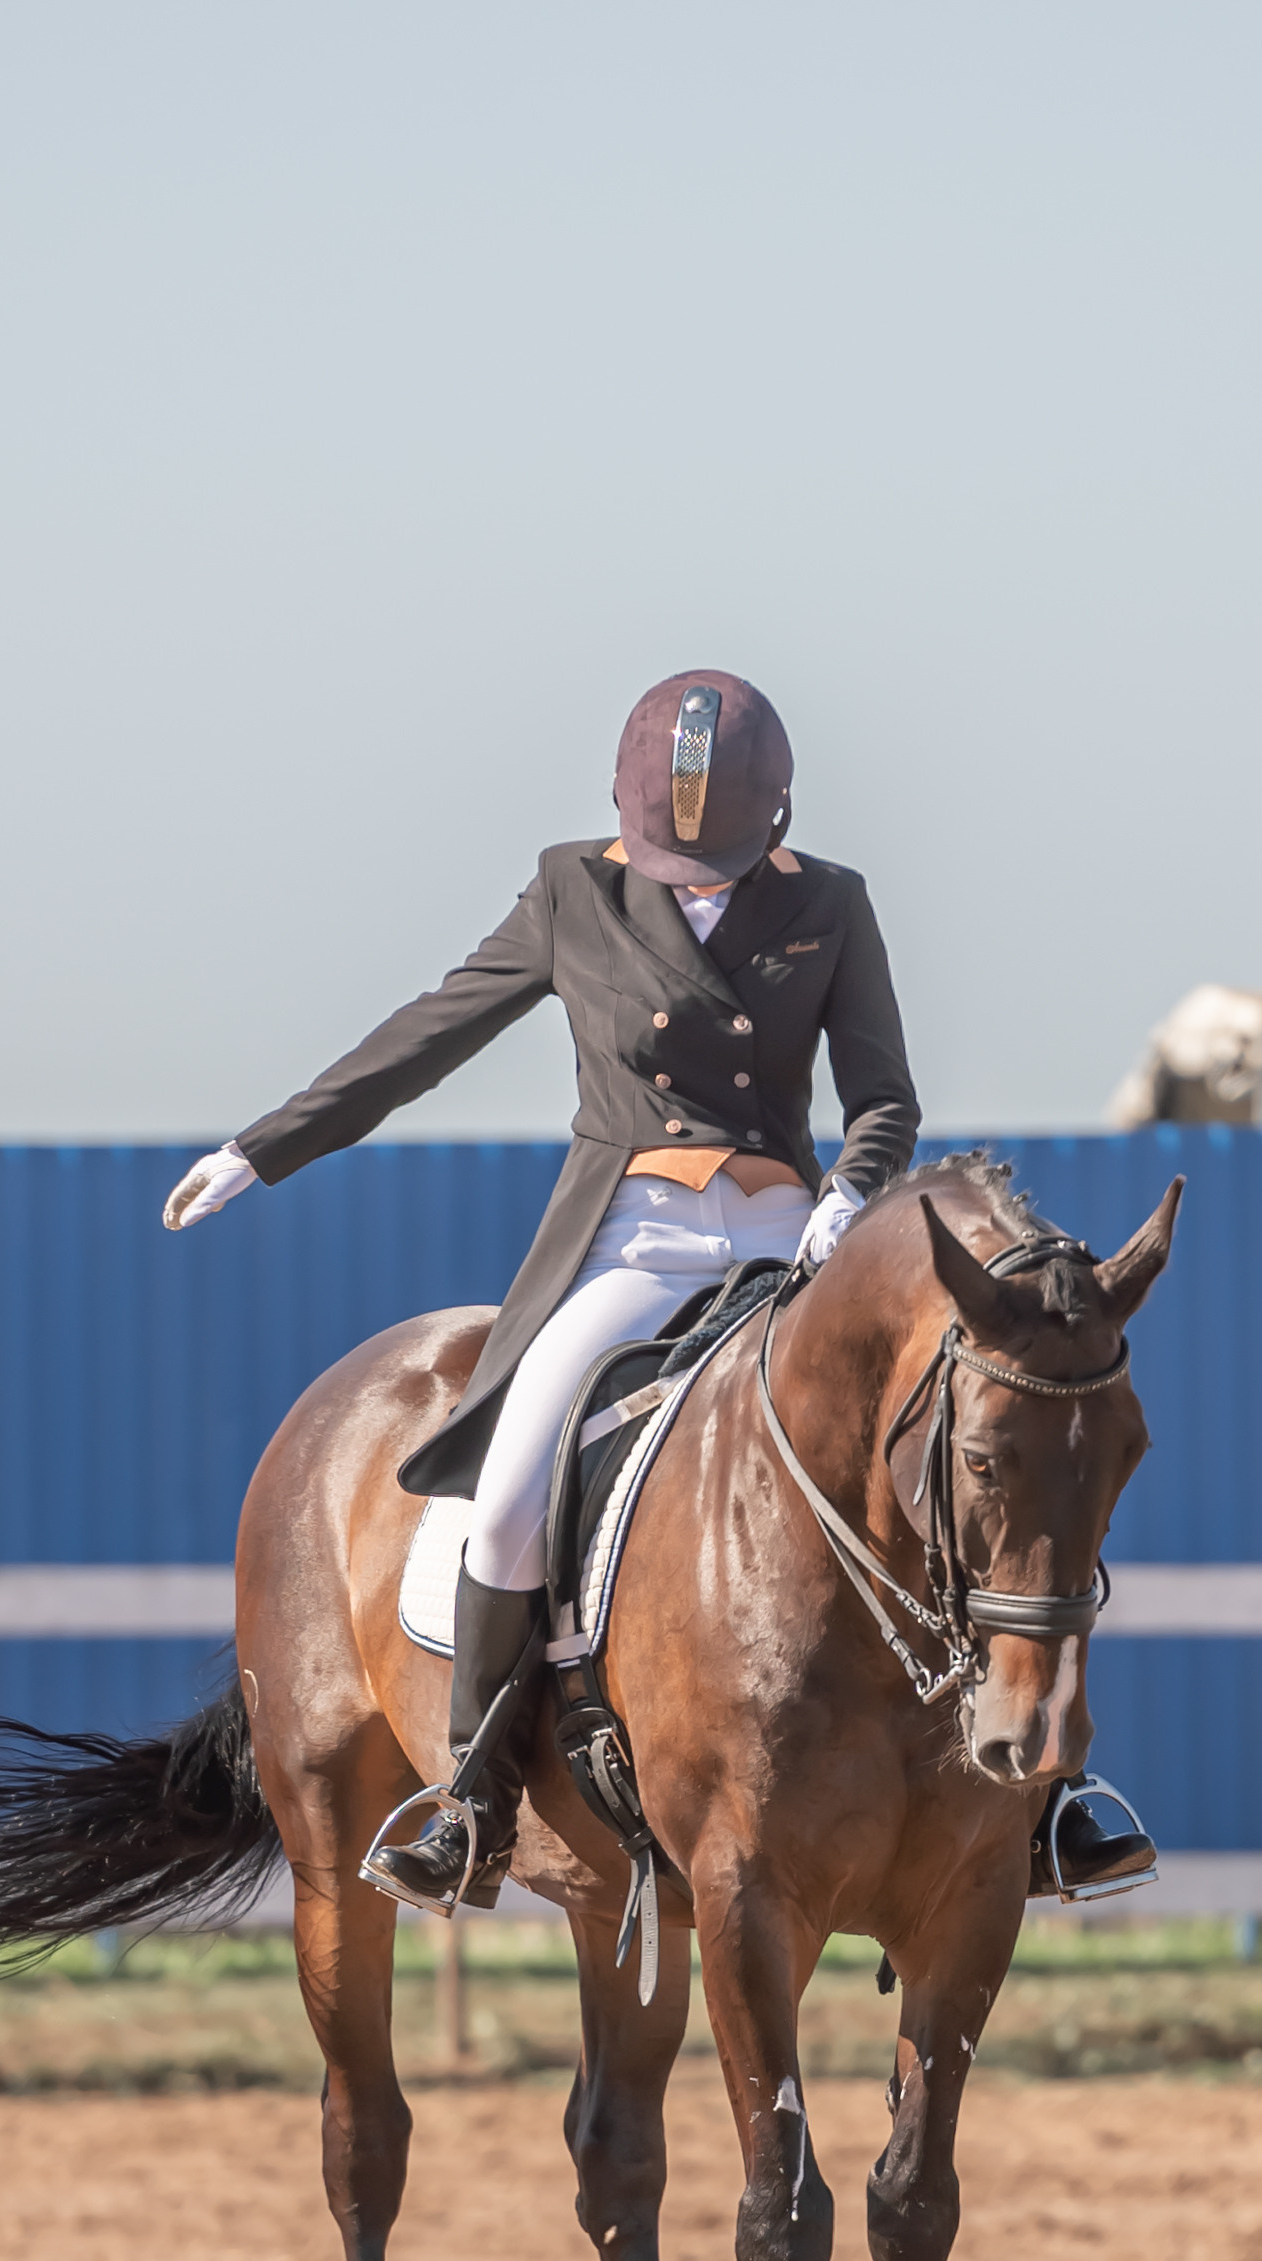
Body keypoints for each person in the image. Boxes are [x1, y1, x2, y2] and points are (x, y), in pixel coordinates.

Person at [166, 668, 1149, 1909]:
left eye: (718, 856)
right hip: (630, 1239)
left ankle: (1039, 1800)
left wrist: (848, 1192)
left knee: (963, 1462)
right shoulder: (571, 889)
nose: (692, 875)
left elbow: (882, 1093)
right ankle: (466, 1795)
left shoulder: (830, 904)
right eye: (670, 854)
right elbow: (430, 1034)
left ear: (776, 816)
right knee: (515, 1479)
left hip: (792, 1239)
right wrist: (265, 1147)